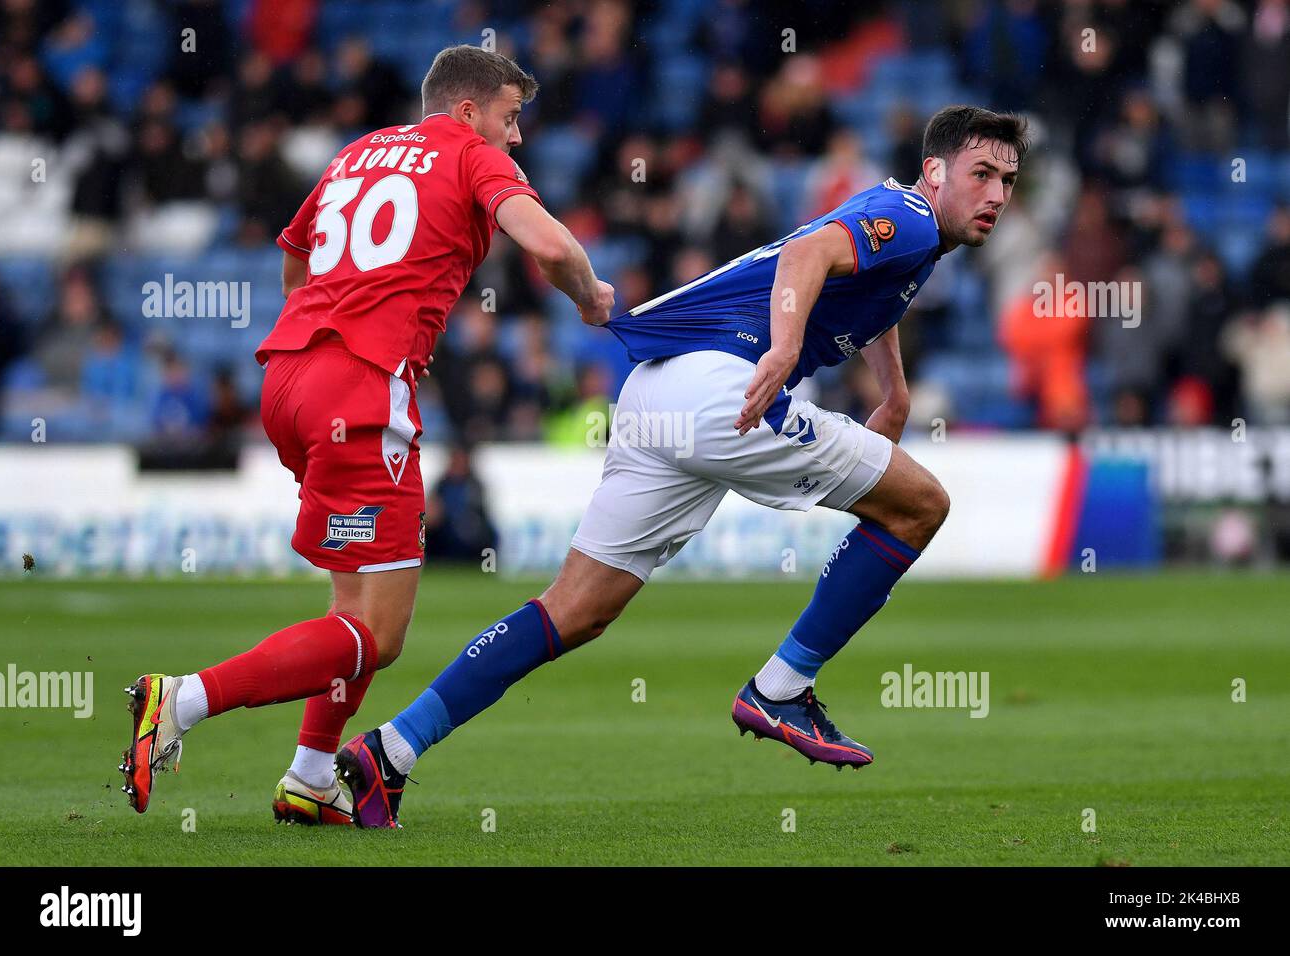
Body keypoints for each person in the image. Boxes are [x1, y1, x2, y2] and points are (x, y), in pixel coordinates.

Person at [336, 106, 1029, 828]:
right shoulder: (913, 218)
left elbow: (866, 283)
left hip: (655, 392)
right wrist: (786, 351)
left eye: (1008, 181)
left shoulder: (906, 229)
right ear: (935, 172)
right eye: (982, 174)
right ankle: (783, 686)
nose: (997, 196)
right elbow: (808, 258)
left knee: (575, 610)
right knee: (921, 505)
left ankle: (390, 751)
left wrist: (894, 388)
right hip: (722, 386)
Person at [118, 45, 614, 824]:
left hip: (287, 380)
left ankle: (310, 778)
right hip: (360, 391)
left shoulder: (358, 151)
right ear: (467, 111)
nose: (516, 138)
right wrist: (591, 297)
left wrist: (326, 336)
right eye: (510, 118)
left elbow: (294, 261)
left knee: (351, 605)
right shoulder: (470, 156)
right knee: (378, 634)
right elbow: (550, 246)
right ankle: (180, 701)